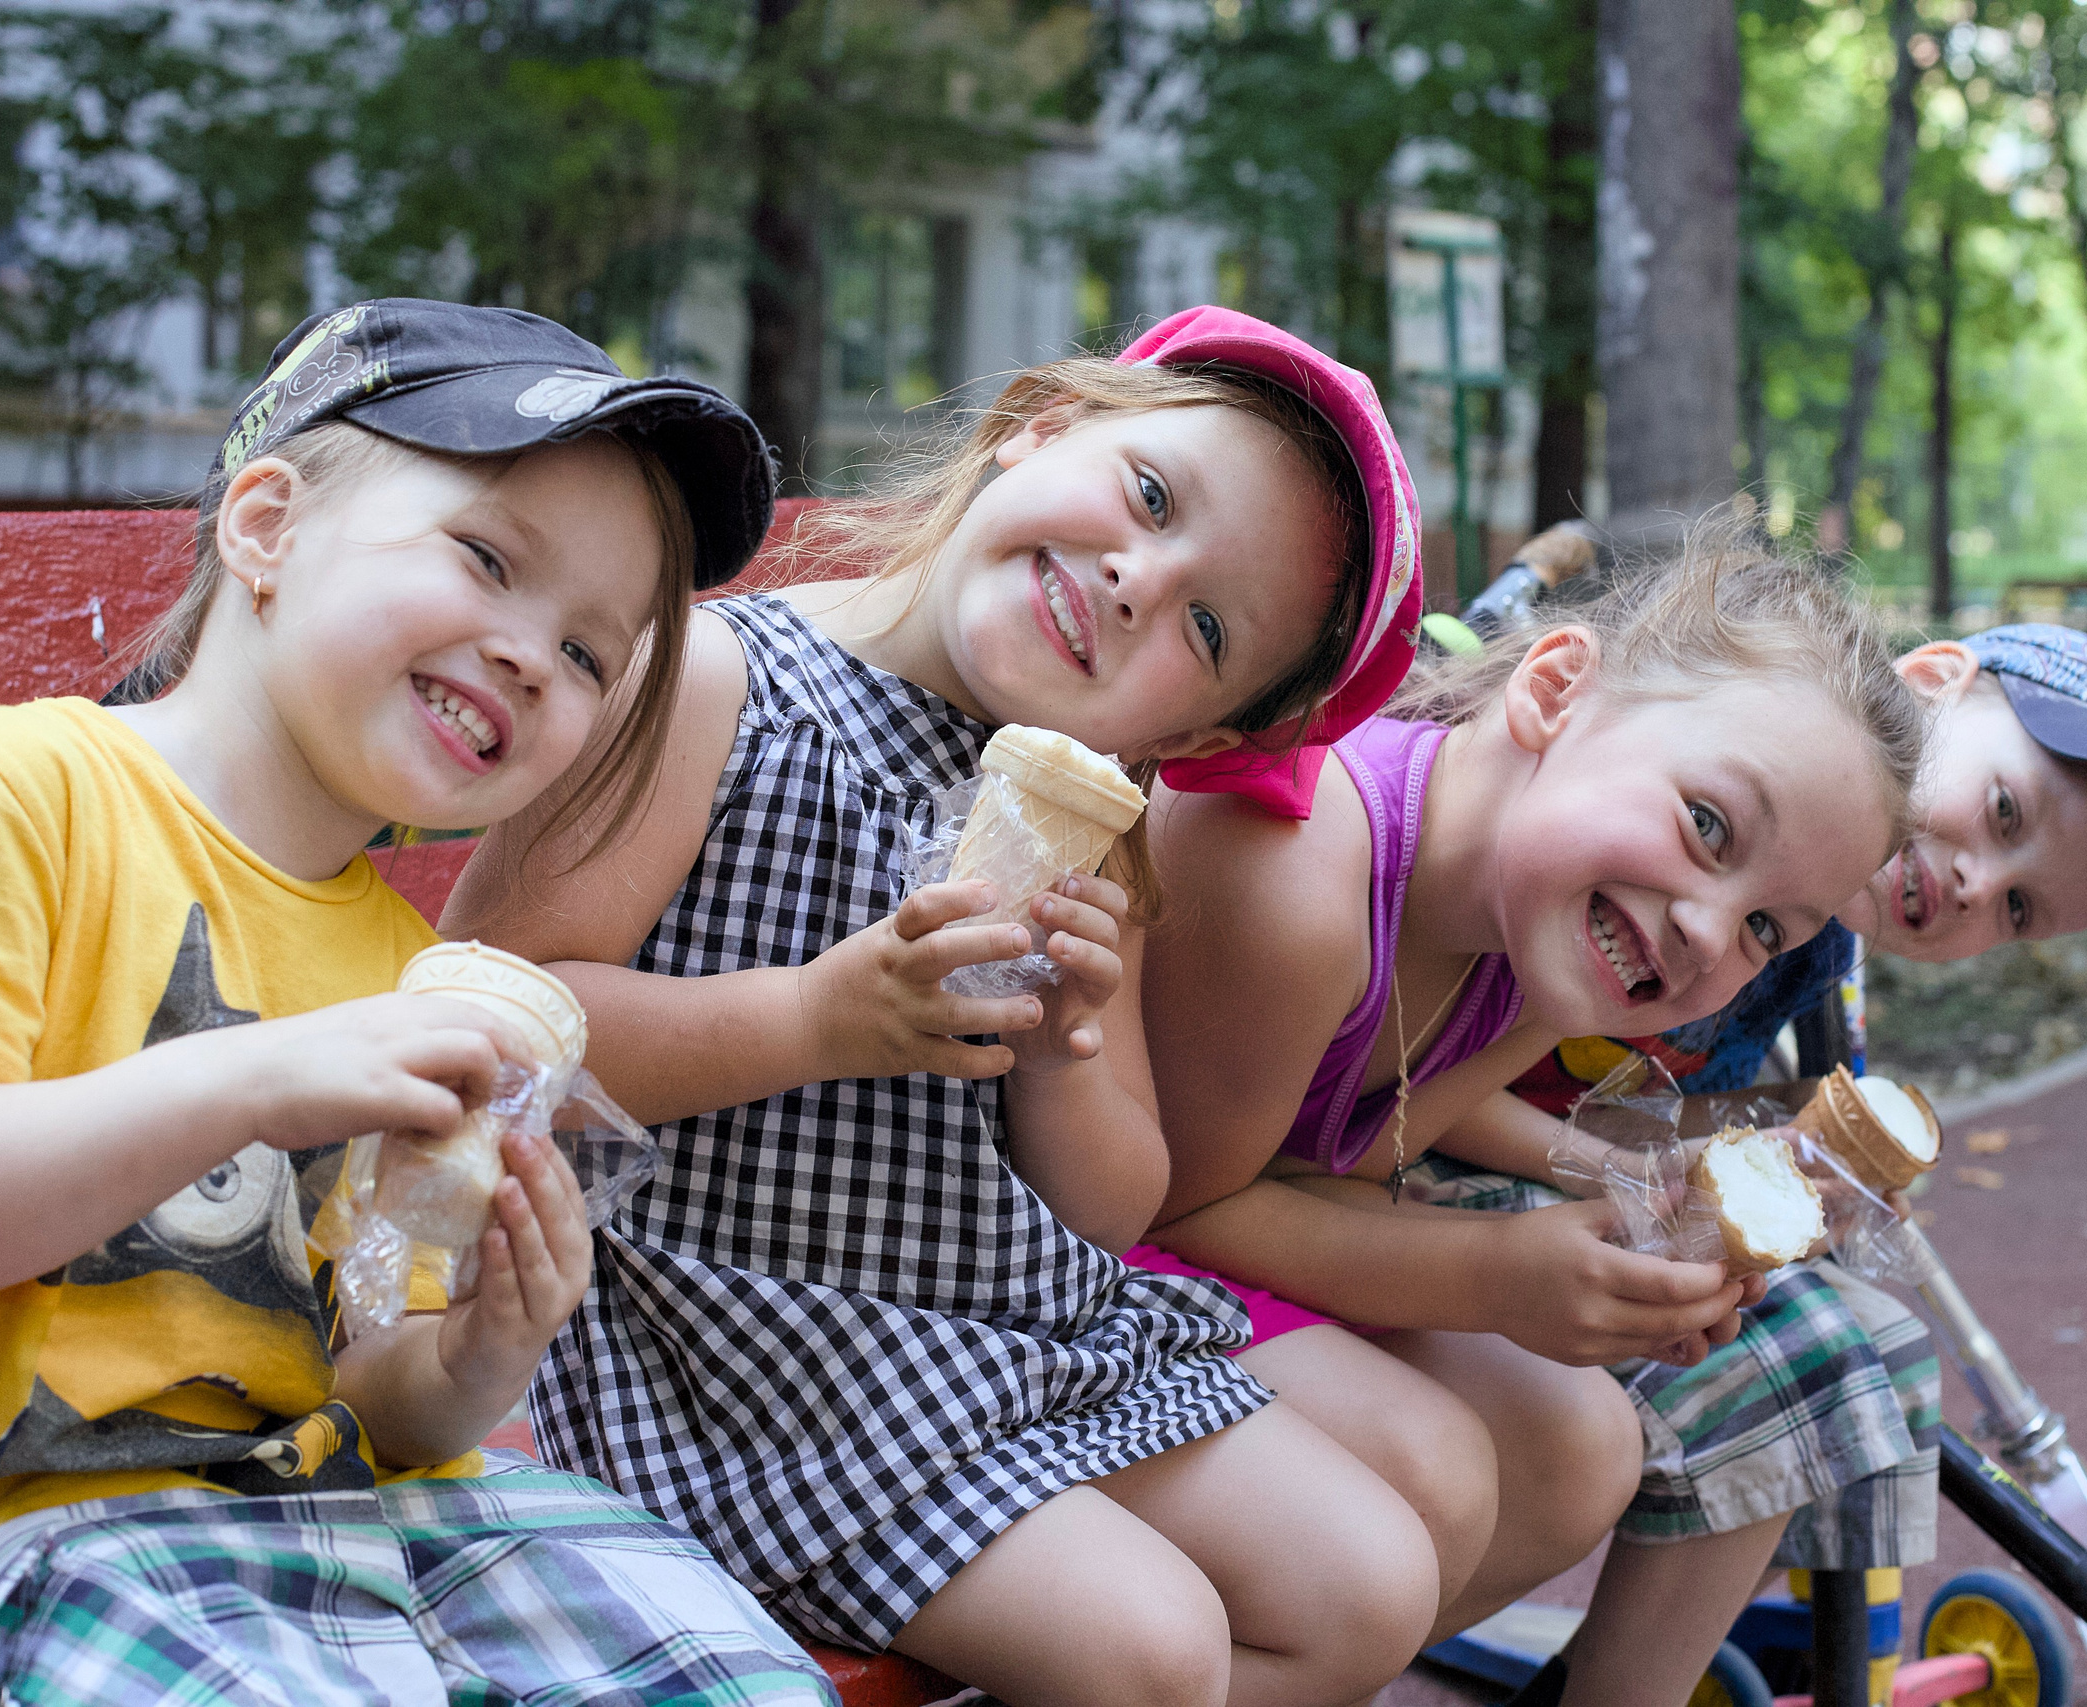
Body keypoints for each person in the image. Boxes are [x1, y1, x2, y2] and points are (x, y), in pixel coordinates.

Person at [0, 300, 835, 1707]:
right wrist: (260, 1077)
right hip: (2, 1538)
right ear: (267, 525)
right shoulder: (16, 794)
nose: (535, 653)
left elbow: (362, 1383)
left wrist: (475, 1353)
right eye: (486, 557)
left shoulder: (397, 967)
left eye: (592, 653)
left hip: (335, 1524)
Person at [446, 306, 1456, 1707]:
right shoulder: (716, 684)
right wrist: (815, 1016)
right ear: (1037, 427)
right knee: (1148, 1646)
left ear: (1197, 739)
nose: (1134, 578)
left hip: (997, 1336)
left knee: (1370, 1584)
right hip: (741, 1355)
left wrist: (1066, 1046)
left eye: (1206, 625)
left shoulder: (1094, 813)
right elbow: (492, 1025)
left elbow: (1112, 1205)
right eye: (1152, 498)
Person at [1134, 520, 1932, 1668]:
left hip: (1200, 1231)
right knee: (1429, 1473)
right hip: (1051, 1254)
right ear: (1555, 690)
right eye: (1708, 826)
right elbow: (1172, 1211)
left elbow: (1341, 1156)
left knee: (1582, 1452)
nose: (1711, 932)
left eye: (1767, 926)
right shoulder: (1302, 878)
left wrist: (1605, 1229)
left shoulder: (1545, 962)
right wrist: (1498, 1275)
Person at [1474, 620, 2087, 1707]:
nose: (1978, 883)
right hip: (1417, 1151)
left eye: (2018, 909)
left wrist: (1779, 1154)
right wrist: (1646, 1170)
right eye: (2005, 812)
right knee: (1810, 1351)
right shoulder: (1691, 810)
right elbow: (1449, 1070)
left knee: (1852, 1352)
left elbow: (1650, 1105)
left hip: (1531, 1169)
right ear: (1927, 683)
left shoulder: (1813, 948)